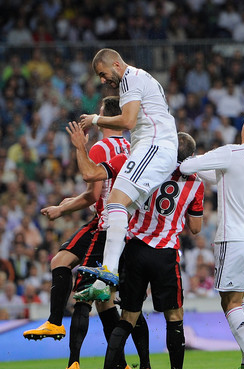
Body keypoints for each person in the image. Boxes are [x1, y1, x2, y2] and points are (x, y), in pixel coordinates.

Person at [23, 97, 153, 369]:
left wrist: (60, 209)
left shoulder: (100, 147)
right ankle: (132, 368)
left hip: (104, 225)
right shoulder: (131, 147)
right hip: (129, 228)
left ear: (105, 117)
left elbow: (94, 193)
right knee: (114, 302)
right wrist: (64, 205)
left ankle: (58, 329)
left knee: (68, 273)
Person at [70, 126, 203, 369]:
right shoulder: (195, 182)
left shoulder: (144, 168)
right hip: (165, 252)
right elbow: (196, 228)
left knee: (128, 316)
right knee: (174, 316)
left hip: (135, 249)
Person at [179, 107, 244, 369]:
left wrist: (184, 160)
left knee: (230, 302)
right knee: (235, 301)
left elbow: (186, 166)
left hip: (236, 238)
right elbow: (221, 178)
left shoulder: (232, 152)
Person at [77, 48, 178, 297]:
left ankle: (110, 272)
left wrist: (95, 120)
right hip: (152, 148)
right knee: (122, 212)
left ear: (115, 63)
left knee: (115, 202)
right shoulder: (140, 78)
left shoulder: (131, 78)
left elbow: (128, 121)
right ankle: (110, 283)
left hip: (154, 146)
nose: (103, 80)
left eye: (103, 73)